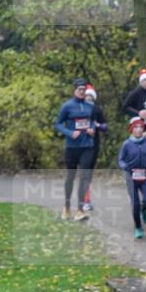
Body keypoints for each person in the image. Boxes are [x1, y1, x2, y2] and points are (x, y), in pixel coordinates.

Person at [53, 78, 98, 221]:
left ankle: (80, 210)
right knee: (71, 177)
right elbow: (58, 124)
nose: (82, 92)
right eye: (80, 90)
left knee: (84, 176)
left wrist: (92, 130)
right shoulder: (67, 106)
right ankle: (66, 206)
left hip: (87, 146)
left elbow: (93, 122)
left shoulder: (90, 106)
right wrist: (70, 133)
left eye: (84, 90)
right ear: (75, 90)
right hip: (72, 147)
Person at [117, 117, 146, 239]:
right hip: (131, 178)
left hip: (144, 177)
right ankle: (138, 227)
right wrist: (125, 167)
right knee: (135, 204)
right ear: (131, 129)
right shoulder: (127, 144)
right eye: (136, 127)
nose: (138, 130)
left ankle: (144, 210)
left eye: (140, 127)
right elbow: (120, 160)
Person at [80, 85, 108, 213]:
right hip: (80, 145)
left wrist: (98, 125)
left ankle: (85, 197)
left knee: (89, 173)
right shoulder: (77, 110)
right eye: (86, 97)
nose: (88, 99)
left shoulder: (97, 110)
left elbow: (105, 127)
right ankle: (85, 200)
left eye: (90, 97)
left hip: (94, 144)